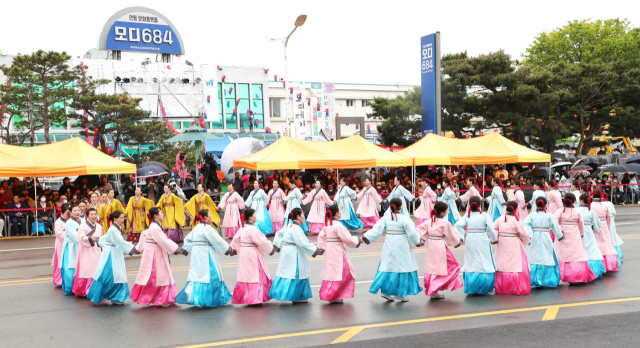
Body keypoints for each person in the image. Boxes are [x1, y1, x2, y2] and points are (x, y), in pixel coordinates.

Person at [361, 198, 423, 302]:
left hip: (389, 243)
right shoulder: (405, 218)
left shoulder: (386, 218)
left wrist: (365, 237)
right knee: (402, 267)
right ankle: (401, 293)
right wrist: (418, 242)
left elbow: (377, 229)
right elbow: (412, 233)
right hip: (402, 244)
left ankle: (386, 291)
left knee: (388, 266)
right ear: (401, 206)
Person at [130, 207, 187, 307]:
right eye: (160, 212)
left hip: (153, 252)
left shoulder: (154, 226)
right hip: (154, 254)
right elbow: (163, 241)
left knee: (155, 277)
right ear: (155, 215)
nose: (162, 214)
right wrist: (178, 249)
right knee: (159, 276)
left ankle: (158, 297)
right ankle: (161, 298)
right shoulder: (155, 227)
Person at [176, 209, 234, 308]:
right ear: (206, 217)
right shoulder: (207, 228)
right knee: (212, 275)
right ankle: (211, 299)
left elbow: (188, 239)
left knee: (197, 275)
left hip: (196, 255)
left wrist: (185, 249)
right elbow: (218, 241)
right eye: (210, 215)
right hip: (206, 254)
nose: (211, 217)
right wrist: (229, 249)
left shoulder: (196, 228)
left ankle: (197, 297)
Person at [270, 208, 320, 303]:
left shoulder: (289, 225)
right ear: (298, 216)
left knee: (286, 273)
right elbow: (302, 243)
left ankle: (293, 294)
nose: (303, 218)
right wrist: (316, 250)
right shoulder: (296, 228)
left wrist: (278, 245)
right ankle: (297, 296)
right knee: (297, 273)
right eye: (302, 216)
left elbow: (278, 233)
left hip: (287, 252)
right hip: (294, 253)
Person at [87, 209, 136, 305]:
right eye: (120, 218)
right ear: (115, 219)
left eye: (123, 218)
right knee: (113, 275)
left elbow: (106, 238)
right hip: (112, 254)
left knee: (115, 275)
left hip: (115, 252)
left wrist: (98, 239)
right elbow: (120, 242)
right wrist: (133, 249)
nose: (123, 220)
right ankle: (115, 297)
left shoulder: (115, 228)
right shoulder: (113, 229)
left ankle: (115, 296)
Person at [229, 208, 276, 305]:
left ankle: (247, 297)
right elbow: (262, 241)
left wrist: (234, 249)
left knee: (246, 275)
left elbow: (235, 240)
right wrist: (271, 249)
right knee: (257, 274)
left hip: (244, 253)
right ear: (250, 216)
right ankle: (256, 298)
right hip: (253, 253)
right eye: (254, 214)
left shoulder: (242, 229)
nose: (256, 216)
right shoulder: (253, 229)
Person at [417, 201, 463, 299]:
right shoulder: (444, 223)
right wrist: (457, 242)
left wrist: (422, 238)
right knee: (444, 265)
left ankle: (433, 289)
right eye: (446, 210)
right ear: (442, 212)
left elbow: (420, 228)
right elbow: (451, 234)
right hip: (439, 244)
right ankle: (434, 289)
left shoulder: (430, 221)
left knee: (432, 266)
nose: (447, 212)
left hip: (431, 244)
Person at [317, 205, 361, 303]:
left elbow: (321, 236)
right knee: (343, 272)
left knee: (331, 272)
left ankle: (330, 294)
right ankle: (336, 295)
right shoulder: (338, 225)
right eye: (340, 211)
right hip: (338, 250)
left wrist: (321, 247)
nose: (341, 212)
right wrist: (357, 240)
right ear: (336, 213)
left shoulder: (327, 224)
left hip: (330, 250)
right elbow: (348, 239)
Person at [454, 196, 497, 295]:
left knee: (471, 260)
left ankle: (472, 285)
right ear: (480, 204)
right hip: (482, 238)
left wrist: (461, 238)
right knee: (484, 259)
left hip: (470, 239)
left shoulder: (467, 216)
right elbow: (491, 229)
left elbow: (457, 225)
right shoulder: (484, 216)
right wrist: (494, 239)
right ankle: (485, 285)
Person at [553, 193, 597, 284]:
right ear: (574, 201)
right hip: (574, 235)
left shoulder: (559, 211)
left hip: (562, 236)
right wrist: (581, 234)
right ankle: (575, 276)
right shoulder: (577, 211)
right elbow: (581, 224)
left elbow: (554, 223)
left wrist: (558, 233)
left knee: (561, 255)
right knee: (575, 255)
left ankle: (559, 275)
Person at [523, 197, 563, 288]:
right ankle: (546, 279)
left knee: (533, 257)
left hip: (534, 237)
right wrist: (560, 236)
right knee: (546, 256)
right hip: (545, 237)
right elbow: (555, 227)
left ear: (536, 204)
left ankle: (532, 279)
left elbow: (526, 224)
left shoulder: (531, 215)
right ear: (545, 204)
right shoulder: (549, 215)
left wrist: (529, 235)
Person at [493, 201, 531, 295]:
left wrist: (495, 238)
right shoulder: (517, 220)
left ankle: (501, 286)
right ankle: (515, 287)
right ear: (516, 209)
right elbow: (525, 234)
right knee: (516, 265)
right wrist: (527, 241)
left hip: (502, 243)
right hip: (514, 243)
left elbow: (493, 229)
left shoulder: (500, 219)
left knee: (502, 264)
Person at [73, 208, 103, 297]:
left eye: (95, 214)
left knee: (96, 268)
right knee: (86, 268)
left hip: (96, 250)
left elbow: (101, 238)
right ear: (87, 216)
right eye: (92, 214)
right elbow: (81, 238)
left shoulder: (99, 226)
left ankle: (95, 290)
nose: (94, 216)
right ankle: (86, 291)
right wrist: (90, 238)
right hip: (85, 250)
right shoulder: (82, 226)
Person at [577, 194, 606, 278]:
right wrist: (595, 229)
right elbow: (597, 223)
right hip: (588, 231)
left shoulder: (576, 210)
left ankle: (581, 270)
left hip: (578, 231)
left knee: (580, 249)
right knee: (591, 249)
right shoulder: (591, 211)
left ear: (582, 201)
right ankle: (594, 270)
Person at [590, 191, 619, 272]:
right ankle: (609, 264)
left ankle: (598, 265)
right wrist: (607, 226)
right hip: (604, 225)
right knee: (606, 244)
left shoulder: (591, 205)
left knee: (596, 244)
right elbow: (609, 217)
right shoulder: (605, 205)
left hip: (593, 226)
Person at [61, 205, 82, 295]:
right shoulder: (68, 223)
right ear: (70, 212)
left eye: (78, 210)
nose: (77, 212)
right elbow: (74, 236)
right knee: (70, 267)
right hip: (71, 246)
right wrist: (84, 241)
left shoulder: (84, 221)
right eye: (75, 210)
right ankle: (70, 287)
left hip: (82, 245)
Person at [51, 203, 70, 286]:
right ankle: (59, 279)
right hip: (61, 243)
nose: (68, 215)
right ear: (62, 213)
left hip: (69, 242)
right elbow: (59, 233)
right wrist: (69, 234)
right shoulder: (58, 222)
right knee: (60, 260)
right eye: (67, 213)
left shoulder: (69, 221)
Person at [602, 194, 624, 263]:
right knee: (613, 238)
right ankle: (617, 255)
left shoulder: (600, 204)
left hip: (604, 222)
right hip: (611, 222)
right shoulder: (610, 203)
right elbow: (614, 213)